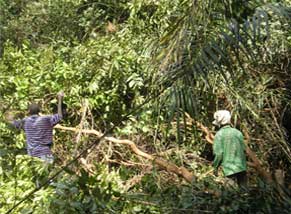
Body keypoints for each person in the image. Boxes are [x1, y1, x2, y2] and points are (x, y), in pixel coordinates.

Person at [7, 92, 64, 164]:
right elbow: (59, 116)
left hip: (32, 155)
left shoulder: (25, 122)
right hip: (45, 152)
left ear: (29, 111)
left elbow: (12, 123)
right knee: (47, 172)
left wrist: (8, 114)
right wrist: (60, 100)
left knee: (35, 174)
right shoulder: (46, 119)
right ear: (39, 111)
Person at [212, 110, 247, 188]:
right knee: (245, 195)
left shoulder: (219, 135)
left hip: (229, 170)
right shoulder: (238, 133)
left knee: (231, 195)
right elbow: (243, 149)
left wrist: (215, 167)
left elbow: (218, 154)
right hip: (242, 168)